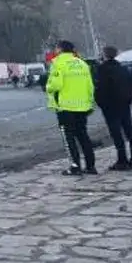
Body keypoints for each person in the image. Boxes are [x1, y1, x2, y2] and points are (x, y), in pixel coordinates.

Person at [46, 40, 97, 175]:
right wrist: (90, 102)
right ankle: (91, 166)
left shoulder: (58, 63)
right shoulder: (82, 63)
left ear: (60, 49)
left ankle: (75, 165)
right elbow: (90, 86)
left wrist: (48, 87)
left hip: (65, 106)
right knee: (83, 136)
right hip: (82, 106)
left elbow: (56, 85)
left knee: (69, 138)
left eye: (56, 48)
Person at [94, 46, 132, 170]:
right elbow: (131, 84)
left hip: (110, 106)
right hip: (124, 104)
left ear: (104, 55)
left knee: (116, 133)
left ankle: (122, 160)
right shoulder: (122, 68)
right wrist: (129, 99)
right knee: (130, 131)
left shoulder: (102, 69)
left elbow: (100, 89)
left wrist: (101, 103)